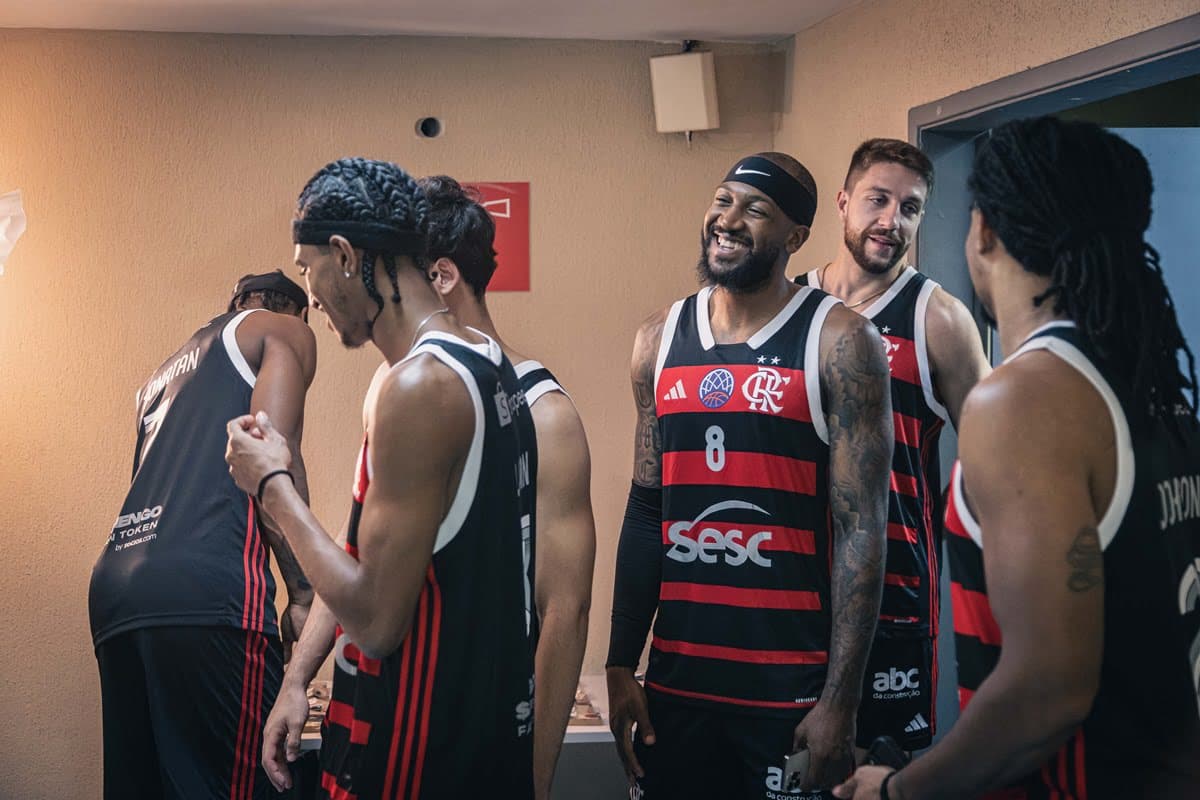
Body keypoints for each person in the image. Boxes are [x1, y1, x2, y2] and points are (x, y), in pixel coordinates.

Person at [834, 117, 1200, 799]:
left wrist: (899, 790)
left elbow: (1046, 693)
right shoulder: (1150, 383)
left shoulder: (1023, 401)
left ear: (984, 233)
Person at [259, 174, 596, 800]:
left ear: (348, 256)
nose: (311, 295)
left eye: (309, 271)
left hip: (421, 751)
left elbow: (561, 610)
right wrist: (295, 678)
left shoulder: (460, 391)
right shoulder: (452, 373)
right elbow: (362, 539)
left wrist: (273, 485)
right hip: (387, 729)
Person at [606, 151, 895, 797]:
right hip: (677, 689)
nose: (728, 219)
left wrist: (839, 704)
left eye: (755, 209)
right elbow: (648, 510)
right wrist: (622, 661)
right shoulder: (658, 340)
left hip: (788, 692)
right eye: (722, 200)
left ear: (795, 237)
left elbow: (861, 533)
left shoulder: (841, 341)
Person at [88, 269, 316, 799]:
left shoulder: (160, 378)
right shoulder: (281, 330)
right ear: (297, 312)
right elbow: (269, 459)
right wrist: (305, 592)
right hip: (205, 593)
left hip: (117, 589)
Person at [800, 139, 990, 752]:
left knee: (872, 772)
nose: (891, 220)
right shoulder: (791, 307)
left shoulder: (938, 318)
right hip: (791, 586)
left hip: (894, 596)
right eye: (878, 200)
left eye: (909, 208)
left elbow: (996, 458)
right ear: (844, 201)